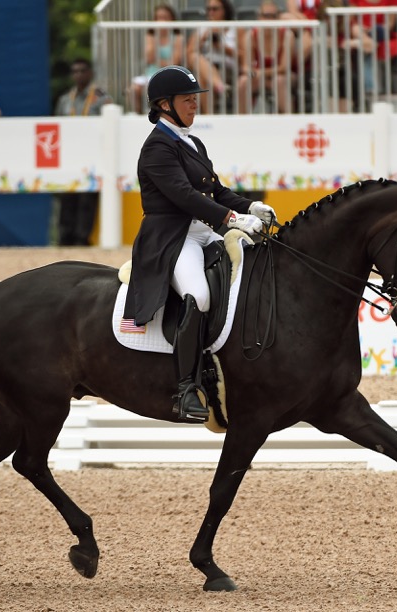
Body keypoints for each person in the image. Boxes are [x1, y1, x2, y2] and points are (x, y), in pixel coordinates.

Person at [122, 65, 277, 423]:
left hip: (203, 231)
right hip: (172, 237)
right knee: (200, 295)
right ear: (164, 104)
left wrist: (249, 205)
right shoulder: (157, 147)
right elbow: (184, 195)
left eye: (195, 99)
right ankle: (186, 388)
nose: (195, 106)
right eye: (187, 100)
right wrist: (233, 220)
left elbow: (215, 190)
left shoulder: (191, 141)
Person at [54, 58, 114, 245]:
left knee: (88, 199)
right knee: (67, 196)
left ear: (90, 73)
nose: (78, 75)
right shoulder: (65, 100)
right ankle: (65, 236)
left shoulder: (101, 98)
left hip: (93, 155)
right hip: (70, 155)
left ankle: (82, 237)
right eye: (75, 71)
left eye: (82, 71)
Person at [237, 1, 297, 114]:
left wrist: (261, 73)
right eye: (266, 16)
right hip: (260, 77)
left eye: (273, 16)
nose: (270, 20)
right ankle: (241, 120)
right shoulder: (250, 36)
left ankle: (289, 119)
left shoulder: (288, 35)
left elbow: (284, 68)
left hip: (284, 76)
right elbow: (245, 66)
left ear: (278, 18)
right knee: (243, 81)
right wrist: (255, 73)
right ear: (259, 17)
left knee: (279, 81)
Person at [128, 4, 184, 114]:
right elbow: (149, 58)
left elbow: (174, 62)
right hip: (151, 74)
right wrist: (157, 35)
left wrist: (158, 61)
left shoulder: (178, 38)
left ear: (172, 19)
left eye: (165, 18)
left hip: (169, 75)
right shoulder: (150, 36)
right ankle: (138, 115)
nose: (161, 21)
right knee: (133, 89)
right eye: (158, 18)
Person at [185, 0, 237, 114]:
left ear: (224, 10)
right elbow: (189, 54)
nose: (211, 12)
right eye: (208, 9)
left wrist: (220, 46)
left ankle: (209, 116)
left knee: (202, 78)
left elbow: (243, 55)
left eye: (215, 9)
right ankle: (221, 87)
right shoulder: (203, 28)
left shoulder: (235, 28)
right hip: (206, 66)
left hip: (227, 68)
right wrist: (204, 38)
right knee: (197, 61)